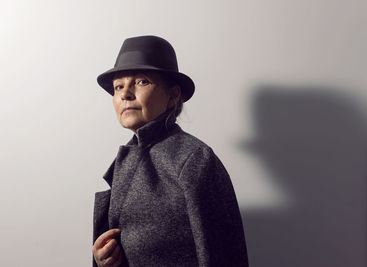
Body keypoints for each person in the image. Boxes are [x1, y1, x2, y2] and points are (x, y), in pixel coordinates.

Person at [91, 35, 249, 267]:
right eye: (118, 87)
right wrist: (103, 260)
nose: (125, 94)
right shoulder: (122, 162)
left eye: (142, 82)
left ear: (173, 96)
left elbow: (223, 256)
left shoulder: (194, 159)